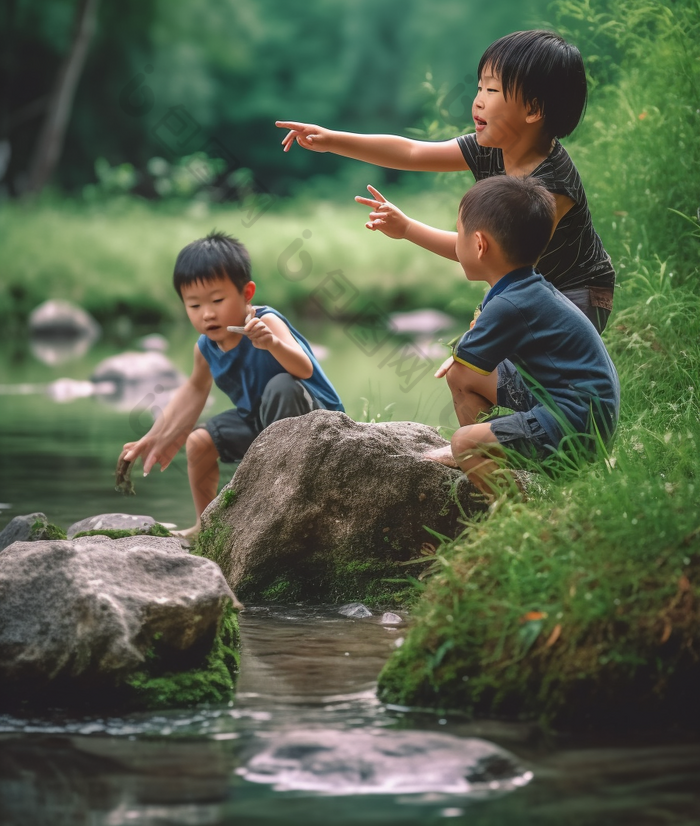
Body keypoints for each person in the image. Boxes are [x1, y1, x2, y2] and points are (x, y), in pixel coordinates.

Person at [276, 30, 615, 332]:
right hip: (532, 286)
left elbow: (500, 260)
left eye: (493, 89)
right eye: (479, 86)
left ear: (533, 110)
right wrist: (331, 140)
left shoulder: (551, 186)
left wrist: (488, 310)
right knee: (477, 369)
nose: (478, 99)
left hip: (579, 294)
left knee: (513, 373)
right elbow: (411, 152)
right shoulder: (495, 147)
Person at [118, 231, 344, 537]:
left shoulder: (266, 322)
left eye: (218, 300)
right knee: (199, 442)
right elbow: (194, 391)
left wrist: (272, 343)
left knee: (282, 385)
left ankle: (282, 503)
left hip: (313, 420)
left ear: (246, 293)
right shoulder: (205, 347)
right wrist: (153, 437)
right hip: (261, 425)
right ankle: (205, 528)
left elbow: (303, 368)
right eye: (194, 305)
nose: (207, 313)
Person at [421, 175, 619, 494]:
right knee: (459, 374)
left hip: (576, 424)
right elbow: (467, 365)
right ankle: (485, 452)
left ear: (479, 245)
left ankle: (511, 509)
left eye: (459, 233)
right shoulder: (524, 288)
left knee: (462, 441)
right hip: (580, 410)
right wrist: (466, 356)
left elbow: (471, 352)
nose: (456, 241)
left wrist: (465, 354)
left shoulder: (509, 304)